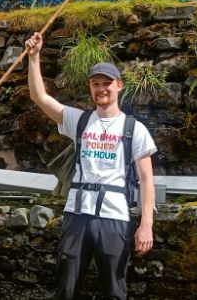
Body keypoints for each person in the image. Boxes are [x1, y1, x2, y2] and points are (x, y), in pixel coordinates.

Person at [24, 32, 156, 300]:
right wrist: (34, 57)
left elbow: (146, 179)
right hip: (77, 214)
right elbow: (39, 97)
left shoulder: (135, 129)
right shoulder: (79, 121)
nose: (101, 88)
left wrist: (146, 225)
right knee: (66, 288)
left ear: (119, 85)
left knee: (115, 290)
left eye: (106, 83)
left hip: (116, 217)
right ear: (90, 88)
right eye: (95, 83)